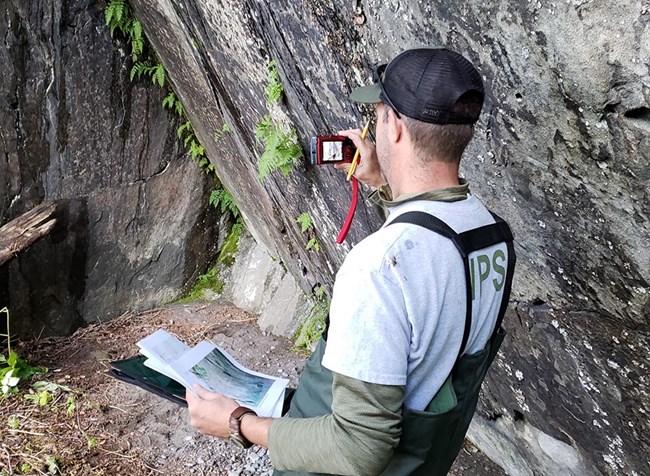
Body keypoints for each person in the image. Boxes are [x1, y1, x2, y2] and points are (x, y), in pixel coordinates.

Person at [186, 47, 516, 476]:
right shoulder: (492, 234)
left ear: (394, 127)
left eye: (377, 115)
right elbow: (432, 262)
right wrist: (384, 181)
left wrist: (239, 423)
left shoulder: (378, 267)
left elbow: (358, 447)